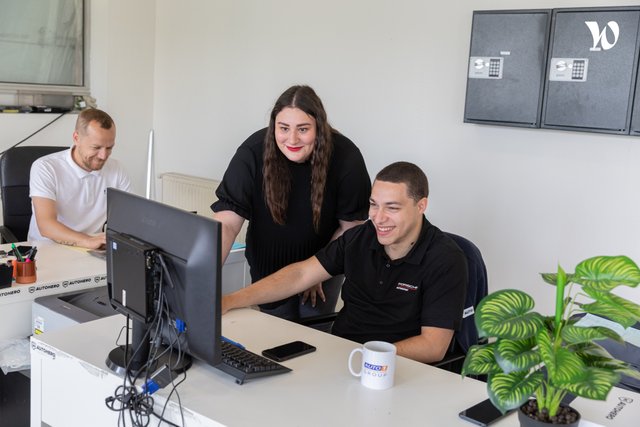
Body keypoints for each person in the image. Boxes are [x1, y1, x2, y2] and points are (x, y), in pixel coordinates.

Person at [222, 161, 468, 363]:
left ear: (421, 205)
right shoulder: (361, 237)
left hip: (397, 368)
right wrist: (231, 300)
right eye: (373, 205)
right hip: (341, 356)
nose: (378, 218)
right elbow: (301, 275)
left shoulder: (445, 259)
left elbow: (433, 346)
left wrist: (368, 357)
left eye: (392, 208)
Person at [212, 85, 371, 320]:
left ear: (319, 127)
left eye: (303, 129)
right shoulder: (252, 152)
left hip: (323, 268)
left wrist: (316, 271)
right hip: (268, 269)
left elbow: (351, 228)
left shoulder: (346, 157)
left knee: (313, 333)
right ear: (273, 125)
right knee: (273, 334)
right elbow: (227, 223)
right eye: (284, 128)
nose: (292, 139)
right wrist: (204, 277)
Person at [28, 108, 131, 249]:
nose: (103, 156)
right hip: (48, 248)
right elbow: (46, 225)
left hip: (93, 248)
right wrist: (87, 241)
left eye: (109, 148)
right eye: (96, 147)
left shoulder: (117, 169)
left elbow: (128, 217)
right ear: (76, 138)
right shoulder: (45, 167)